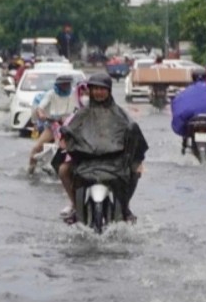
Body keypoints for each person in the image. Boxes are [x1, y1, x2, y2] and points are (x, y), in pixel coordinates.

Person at [60, 73, 149, 223]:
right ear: (90, 91)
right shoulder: (82, 114)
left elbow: (133, 133)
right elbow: (70, 132)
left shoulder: (120, 114)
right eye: (95, 89)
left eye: (102, 89)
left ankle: (125, 208)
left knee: (135, 172)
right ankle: (76, 206)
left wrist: (136, 159)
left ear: (109, 91)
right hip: (86, 161)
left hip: (115, 162)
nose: (98, 92)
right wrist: (65, 139)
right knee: (63, 170)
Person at [27, 74, 78, 175]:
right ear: (59, 85)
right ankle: (31, 169)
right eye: (64, 84)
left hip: (69, 126)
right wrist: (41, 114)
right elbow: (41, 107)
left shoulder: (74, 94)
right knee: (37, 148)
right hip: (52, 125)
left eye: (68, 84)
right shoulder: (51, 94)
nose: (66, 86)